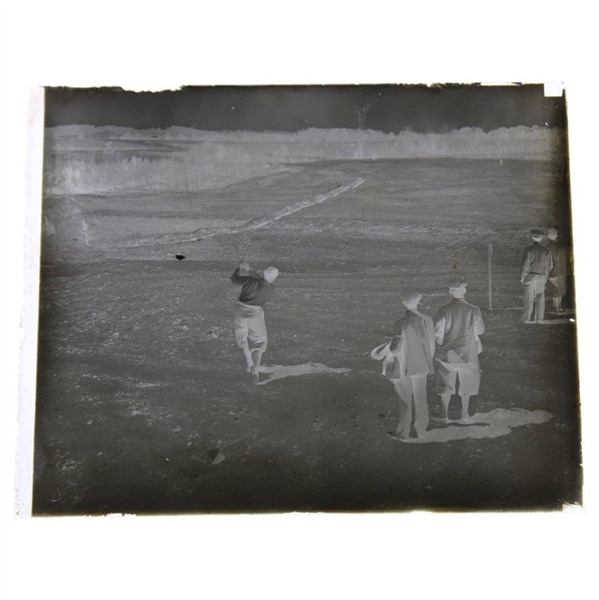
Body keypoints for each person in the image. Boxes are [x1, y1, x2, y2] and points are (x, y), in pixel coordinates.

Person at [434, 276, 485, 423]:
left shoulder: (443, 310)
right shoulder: (474, 310)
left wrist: (440, 340)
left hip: (446, 354)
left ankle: (444, 415)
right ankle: (464, 414)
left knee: (445, 384)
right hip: (467, 353)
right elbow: (480, 331)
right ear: (464, 290)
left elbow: (438, 332)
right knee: (467, 385)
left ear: (450, 291)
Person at [387, 290, 436, 440]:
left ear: (403, 303)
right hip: (422, 364)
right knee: (421, 397)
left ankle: (403, 432)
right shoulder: (427, 319)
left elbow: (395, 348)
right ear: (418, 302)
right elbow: (432, 345)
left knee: (404, 397)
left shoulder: (401, 322)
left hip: (405, 365)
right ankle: (421, 429)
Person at [230, 262, 279, 384]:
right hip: (255, 313)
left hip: (240, 310)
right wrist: (250, 270)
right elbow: (261, 279)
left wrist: (239, 268)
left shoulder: (250, 280)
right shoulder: (271, 290)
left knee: (242, 338)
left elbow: (234, 279)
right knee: (260, 341)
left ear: (263, 273)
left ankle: (248, 362)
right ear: (274, 278)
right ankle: (255, 367)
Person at [520, 229, 553, 323]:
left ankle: (526, 318)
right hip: (542, 276)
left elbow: (524, 265)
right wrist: (545, 276)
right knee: (540, 297)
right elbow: (550, 266)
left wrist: (522, 276)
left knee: (528, 297)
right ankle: (539, 318)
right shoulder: (547, 251)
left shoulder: (528, 249)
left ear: (532, 237)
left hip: (530, 276)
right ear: (542, 238)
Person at [545, 227, 569, 313]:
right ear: (556, 235)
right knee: (561, 289)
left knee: (556, 290)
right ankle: (559, 307)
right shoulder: (563, 246)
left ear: (548, 236)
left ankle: (556, 307)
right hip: (562, 271)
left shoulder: (546, 248)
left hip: (551, 273)